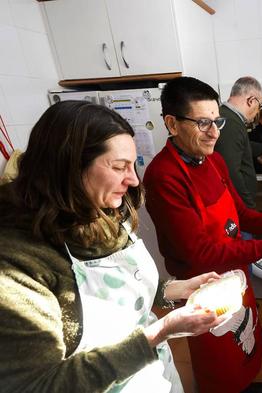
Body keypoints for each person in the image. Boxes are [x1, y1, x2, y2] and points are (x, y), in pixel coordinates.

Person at [0, 101, 225, 393]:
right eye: (120, 167)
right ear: (69, 167)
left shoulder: (101, 209)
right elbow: (37, 385)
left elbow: (120, 283)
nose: (132, 180)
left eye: (132, 166)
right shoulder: (17, 263)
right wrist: (160, 332)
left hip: (155, 374)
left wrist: (177, 289)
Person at [143, 77, 262, 393]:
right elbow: (199, 255)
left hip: (235, 269)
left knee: (244, 338)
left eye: (216, 121)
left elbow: (242, 215)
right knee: (217, 355)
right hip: (202, 286)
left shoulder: (214, 161)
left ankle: (243, 385)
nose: (214, 132)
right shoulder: (163, 176)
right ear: (172, 124)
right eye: (202, 123)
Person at [214, 76, 262, 208]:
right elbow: (231, 173)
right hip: (238, 208)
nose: (258, 111)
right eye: (259, 106)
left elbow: (243, 147)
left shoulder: (229, 117)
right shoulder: (230, 123)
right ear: (251, 100)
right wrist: (249, 208)